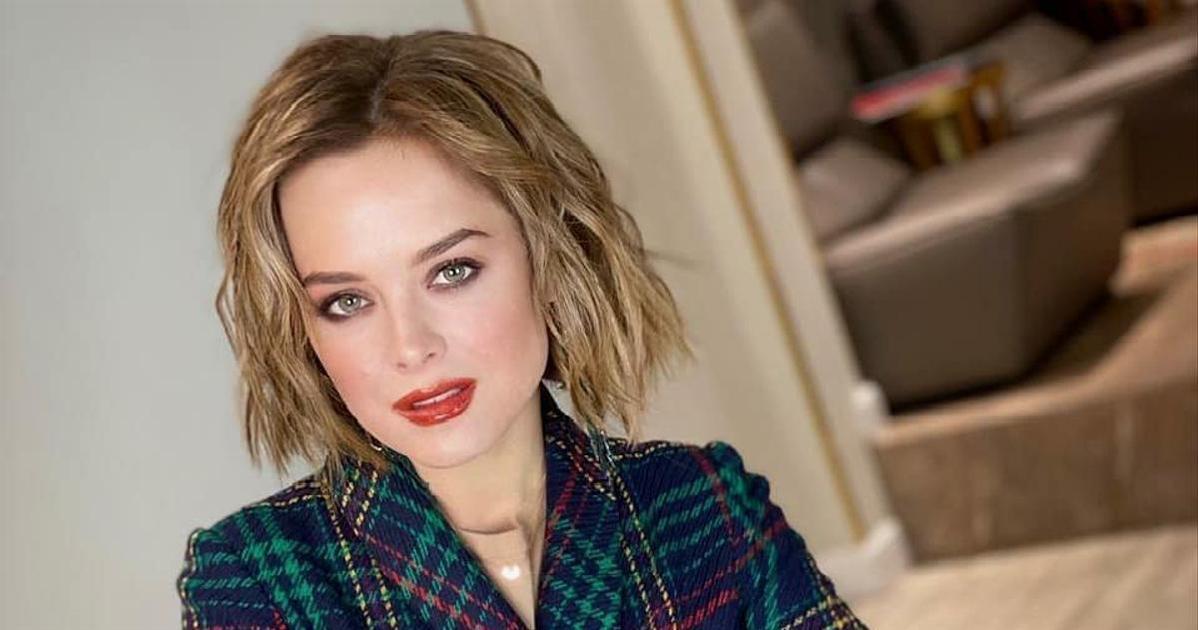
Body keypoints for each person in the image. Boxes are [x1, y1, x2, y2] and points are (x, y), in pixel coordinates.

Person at [177, 29, 864, 629]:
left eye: (452, 271)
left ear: (550, 254)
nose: (410, 346)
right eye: (347, 302)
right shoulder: (257, 577)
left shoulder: (704, 505)